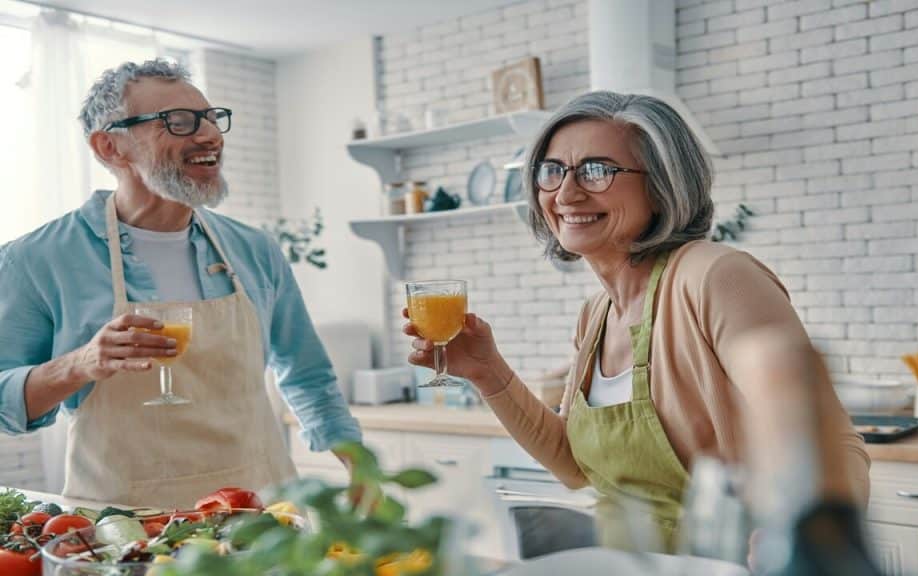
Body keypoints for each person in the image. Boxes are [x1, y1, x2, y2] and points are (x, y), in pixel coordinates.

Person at [404, 91, 869, 554]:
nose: (566, 193)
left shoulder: (715, 277)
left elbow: (835, 447)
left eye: (597, 171)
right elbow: (573, 466)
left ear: (663, 184)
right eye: (553, 171)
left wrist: (795, 538)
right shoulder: (595, 315)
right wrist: (487, 372)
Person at [0, 59, 361, 508]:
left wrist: (357, 462)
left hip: (264, 517)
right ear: (111, 147)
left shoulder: (254, 249)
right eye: (179, 122)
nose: (210, 134)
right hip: (128, 529)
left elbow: (306, 372)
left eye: (212, 117)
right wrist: (80, 363)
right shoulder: (38, 258)